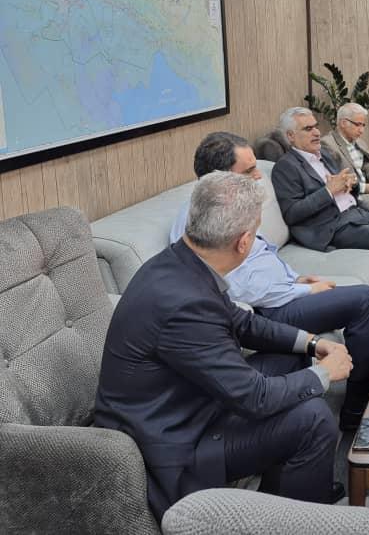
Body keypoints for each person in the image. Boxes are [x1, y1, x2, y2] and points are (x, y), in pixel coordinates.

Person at [95, 172, 354, 521]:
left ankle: (286, 491)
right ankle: (291, 521)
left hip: (191, 401)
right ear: (244, 242)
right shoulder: (184, 304)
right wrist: (324, 373)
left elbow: (242, 322)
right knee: (314, 419)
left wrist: (312, 344)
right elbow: (255, 398)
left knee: (289, 358)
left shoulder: (181, 263)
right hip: (176, 442)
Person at [169, 131, 369, 431]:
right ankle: (359, 410)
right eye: (249, 171)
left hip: (283, 293)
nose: (259, 176)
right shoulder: (203, 222)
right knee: (363, 300)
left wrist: (294, 277)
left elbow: (262, 256)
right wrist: (304, 289)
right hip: (267, 311)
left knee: (361, 300)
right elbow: (239, 286)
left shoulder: (231, 205)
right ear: (219, 178)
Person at [270, 107, 369, 314]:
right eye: (308, 129)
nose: (316, 132)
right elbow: (292, 213)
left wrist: (349, 183)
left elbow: (344, 184)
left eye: (315, 126)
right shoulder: (285, 167)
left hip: (356, 212)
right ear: (291, 136)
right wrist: (328, 191)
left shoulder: (323, 155)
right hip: (332, 227)